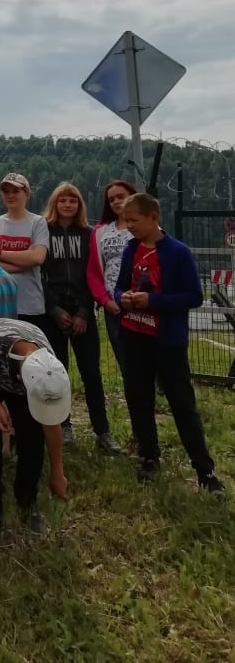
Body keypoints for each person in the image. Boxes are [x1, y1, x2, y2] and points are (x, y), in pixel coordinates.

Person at [115, 194, 225, 495]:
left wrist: (153, 301)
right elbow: (119, 286)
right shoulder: (131, 249)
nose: (129, 226)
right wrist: (122, 298)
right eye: (126, 221)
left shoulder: (178, 252)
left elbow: (194, 296)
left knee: (181, 403)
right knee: (139, 398)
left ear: (153, 217)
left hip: (167, 341)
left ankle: (205, 470)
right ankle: (149, 456)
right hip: (133, 335)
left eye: (134, 220)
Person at [0, 318, 70, 539]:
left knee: (32, 436)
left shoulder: (49, 369)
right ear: (21, 378)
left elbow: (51, 424)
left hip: (18, 377)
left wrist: (57, 472)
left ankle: (28, 501)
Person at [42, 183, 121, 454]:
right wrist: (53, 310)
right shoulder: (43, 231)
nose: (67, 205)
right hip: (54, 313)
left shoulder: (89, 234)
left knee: (91, 374)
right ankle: (63, 425)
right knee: (57, 373)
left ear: (79, 205)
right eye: (62, 200)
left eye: (72, 201)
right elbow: (38, 275)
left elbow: (94, 275)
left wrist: (85, 311)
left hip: (83, 313)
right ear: (54, 203)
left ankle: (103, 431)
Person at [87, 180, 138, 376]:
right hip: (113, 307)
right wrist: (105, 301)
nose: (116, 201)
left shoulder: (145, 227)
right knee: (125, 362)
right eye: (111, 199)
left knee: (147, 360)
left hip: (141, 304)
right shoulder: (100, 231)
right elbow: (93, 271)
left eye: (120, 197)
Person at [0, 173, 49, 327]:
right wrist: (24, 261)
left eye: (15, 191)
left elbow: (37, 258)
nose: (10, 195)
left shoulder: (38, 222)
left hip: (30, 306)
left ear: (27, 194)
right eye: (6, 192)